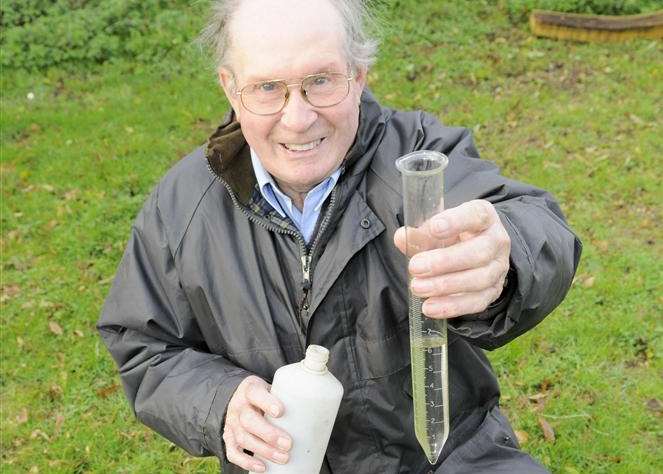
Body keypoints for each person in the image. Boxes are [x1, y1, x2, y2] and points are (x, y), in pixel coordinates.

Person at [98, 0, 582, 473]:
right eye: (268, 88)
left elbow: (534, 224)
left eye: (320, 82)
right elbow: (144, 342)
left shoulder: (419, 163)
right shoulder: (183, 206)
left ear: (359, 75)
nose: (298, 118)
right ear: (231, 89)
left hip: (449, 457)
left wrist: (506, 254)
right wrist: (217, 403)